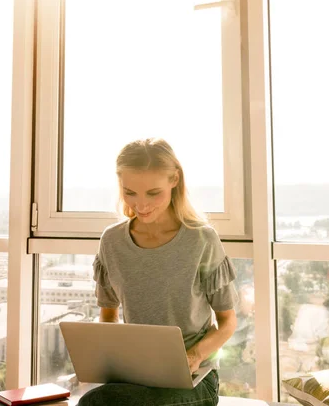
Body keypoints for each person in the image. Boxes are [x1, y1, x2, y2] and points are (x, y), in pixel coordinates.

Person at [78, 138, 237, 406]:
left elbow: (228, 323)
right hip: (136, 375)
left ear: (174, 180)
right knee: (96, 399)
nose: (141, 205)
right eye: (130, 192)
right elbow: (108, 318)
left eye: (153, 193)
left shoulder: (202, 240)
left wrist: (195, 356)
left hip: (195, 378)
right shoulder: (112, 241)